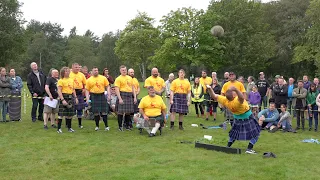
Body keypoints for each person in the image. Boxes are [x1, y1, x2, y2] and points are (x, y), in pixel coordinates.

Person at [206, 85, 260, 154]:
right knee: (256, 132)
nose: (235, 92)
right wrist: (236, 89)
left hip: (237, 118)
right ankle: (249, 149)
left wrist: (210, 88)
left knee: (234, 134)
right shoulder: (236, 101)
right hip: (247, 117)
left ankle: (228, 147)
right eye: (234, 92)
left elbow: (214, 96)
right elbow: (241, 97)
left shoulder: (225, 100)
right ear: (233, 95)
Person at [86, 67, 110, 131]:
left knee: (104, 112)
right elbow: (87, 90)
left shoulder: (103, 78)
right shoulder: (89, 80)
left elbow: (107, 86)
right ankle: (97, 126)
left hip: (102, 95)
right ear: (92, 71)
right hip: (93, 95)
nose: (96, 71)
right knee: (96, 112)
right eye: (94, 70)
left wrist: (109, 95)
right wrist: (88, 98)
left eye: (97, 70)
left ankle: (106, 126)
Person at [114, 65, 137, 131]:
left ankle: (127, 126)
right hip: (122, 94)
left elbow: (133, 88)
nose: (124, 71)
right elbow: (117, 89)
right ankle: (120, 127)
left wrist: (135, 97)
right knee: (120, 112)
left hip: (129, 95)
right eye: (123, 70)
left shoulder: (130, 78)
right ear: (120, 71)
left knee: (128, 112)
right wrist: (120, 98)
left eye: (125, 70)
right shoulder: (118, 79)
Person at [57, 67, 78, 133]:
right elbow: (59, 91)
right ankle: (59, 129)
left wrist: (76, 98)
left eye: (68, 71)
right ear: (63, 72)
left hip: (70, 97)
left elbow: (73, 90)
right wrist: (62, 99)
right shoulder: (61, 80)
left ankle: (69, 128)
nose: (68, 72)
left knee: (70, 114)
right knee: (61, 114)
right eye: (66, 71)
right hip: (64, 96)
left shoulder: (71, 80)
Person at [69, 63, 86, 128]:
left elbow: (85, 83)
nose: (77, 69)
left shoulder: (81, 75)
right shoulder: (69, 74)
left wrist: (84, 89)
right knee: (70, 107)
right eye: (76, 67)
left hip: (79, 92)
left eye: (78, 67)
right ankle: (68, 124)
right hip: (71, 91)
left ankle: (80, 124)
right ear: (72, 67)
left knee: (80, 108)